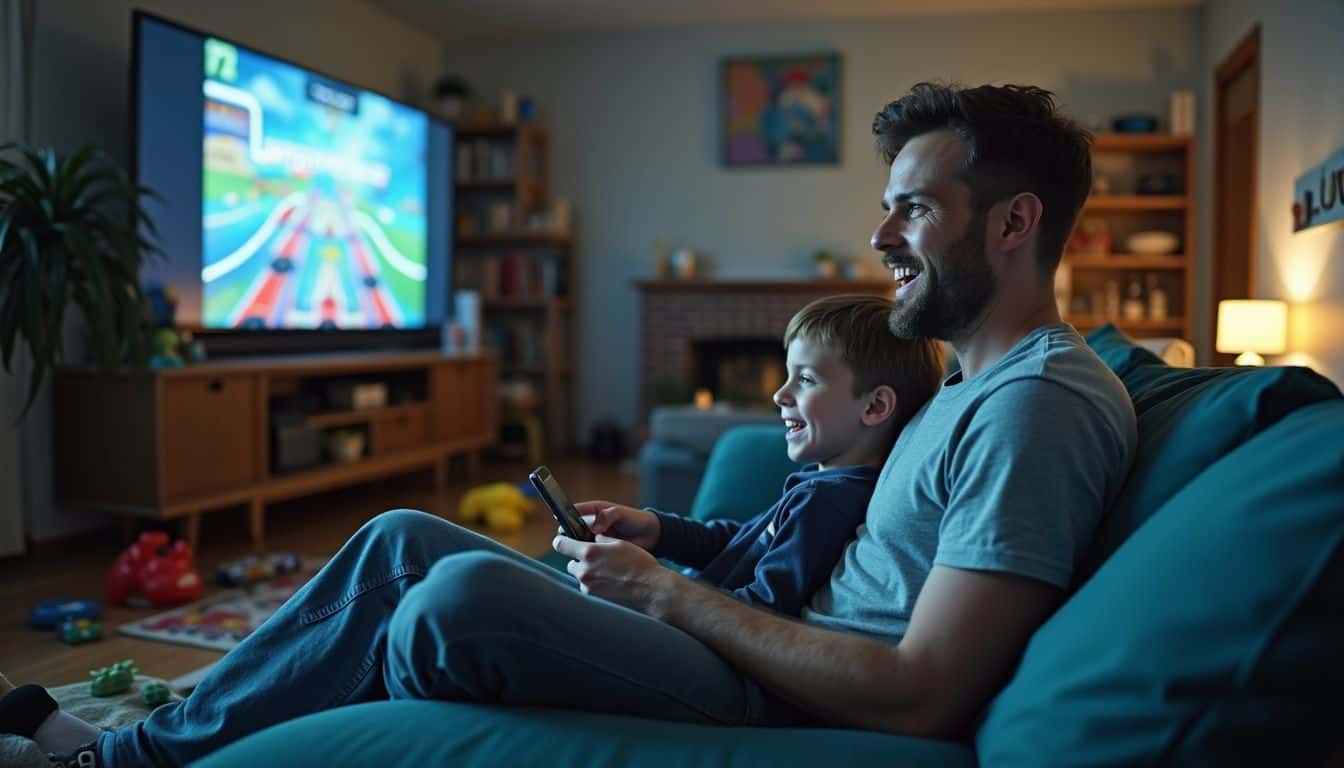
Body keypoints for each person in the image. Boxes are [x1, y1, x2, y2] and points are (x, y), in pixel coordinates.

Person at [4, 82, 1137, 767]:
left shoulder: (1038, 403)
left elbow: (925, 690)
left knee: (454, 594)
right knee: (405, 536)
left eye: (918, 207)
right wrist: (669, 553)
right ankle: (153, 745)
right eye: (889, 203)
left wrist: (668, 591)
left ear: (1014, 225)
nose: (884, 234)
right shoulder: (956, 382)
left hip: (775, 685)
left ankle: (137, 751)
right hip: (742, 634)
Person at [647, 295, 943, 616]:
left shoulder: (828, 500)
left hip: (692, 633)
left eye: (805, 379)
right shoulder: (826, 487)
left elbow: (763, 608)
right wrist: (656, 529)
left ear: (874, 406)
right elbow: (742, 545)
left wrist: (649, 583)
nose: (779, 394)